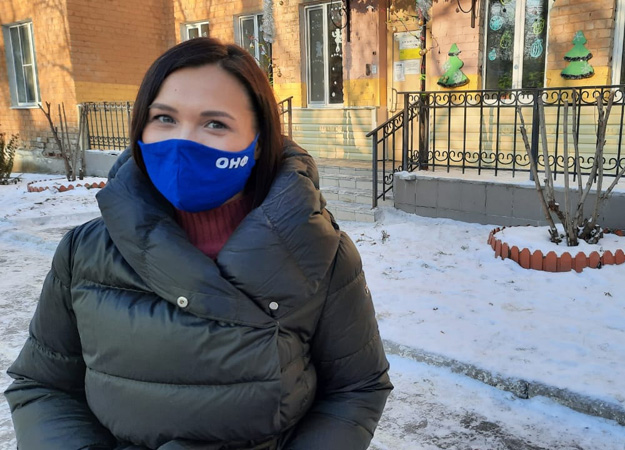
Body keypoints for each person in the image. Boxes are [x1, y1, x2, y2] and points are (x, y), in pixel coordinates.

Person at [4, 37, 392, 450]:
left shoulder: (321, 253)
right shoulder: (84, 252)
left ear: (258, 142)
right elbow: (42, 385)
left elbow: (356, 389)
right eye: (164, 118)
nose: (183, 143)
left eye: (215, 124)